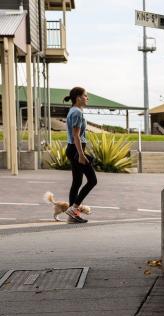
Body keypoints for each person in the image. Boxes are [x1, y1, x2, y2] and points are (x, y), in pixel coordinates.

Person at [63, 87, 97, 224]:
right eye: (85, 96)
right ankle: (74, 208)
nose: (87, 98)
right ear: (78, 97)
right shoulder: (77, 112)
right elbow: (76, 136)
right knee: (92, 180)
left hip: (73, 149)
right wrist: (81, 155)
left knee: (77, 182)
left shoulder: (74, 110)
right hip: (77, 150)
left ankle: (72, 216)